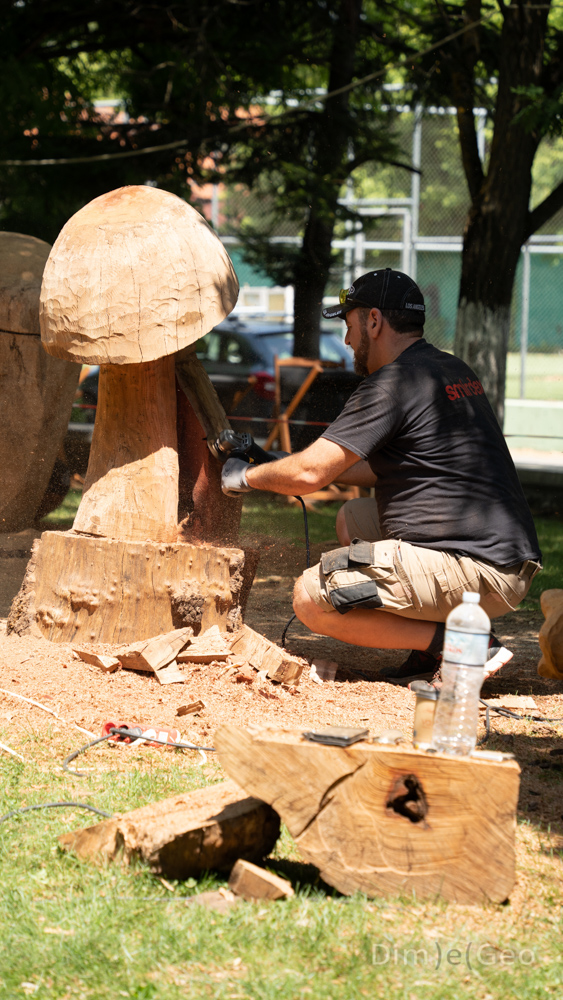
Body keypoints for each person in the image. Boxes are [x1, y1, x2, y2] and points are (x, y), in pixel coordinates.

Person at [221, 268, 542, 683]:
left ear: (374, 321)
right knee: (353, 518)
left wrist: (242, 478)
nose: (348, 339)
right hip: (506, 558)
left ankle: (467, 646)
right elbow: (373, 467)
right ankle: (430, 652)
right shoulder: (447, 369)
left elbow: (310, 475)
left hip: (478, 569)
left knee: (310, 598)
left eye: (350, 325)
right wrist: (273, 460)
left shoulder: (392, 383)